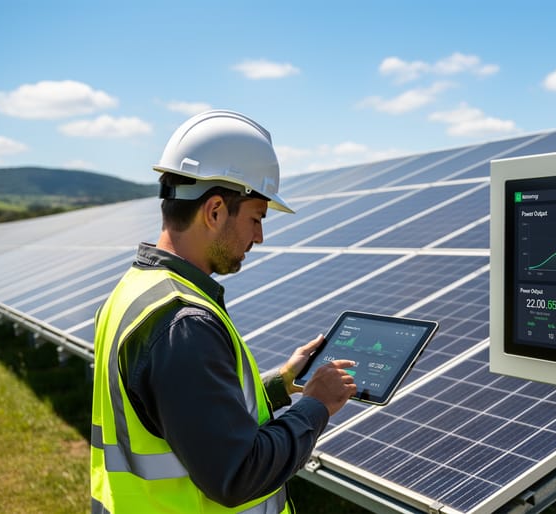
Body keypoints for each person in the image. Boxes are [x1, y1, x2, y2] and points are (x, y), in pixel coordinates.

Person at [90, 110, 357, 513]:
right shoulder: (184, 325)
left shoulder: (136, 291)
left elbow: (188, 416)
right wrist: (315, 405)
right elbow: (238, 474)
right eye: (256, 218)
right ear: (214, 211)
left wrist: (281, 385)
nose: (260, 237)